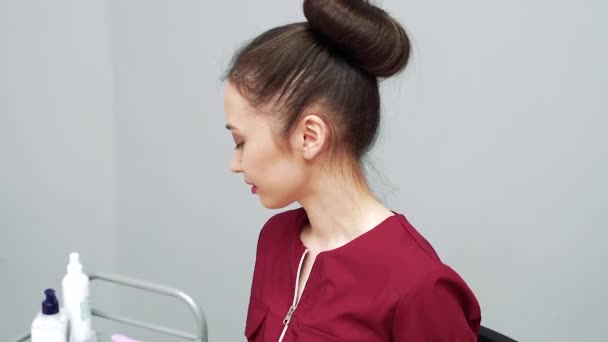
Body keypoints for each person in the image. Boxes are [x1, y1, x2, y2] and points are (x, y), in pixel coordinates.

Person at [223, 0, 481, 340]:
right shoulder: (275, 239)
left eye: (241, 142)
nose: (234, 164)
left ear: (309, 136)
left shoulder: (417, 284)